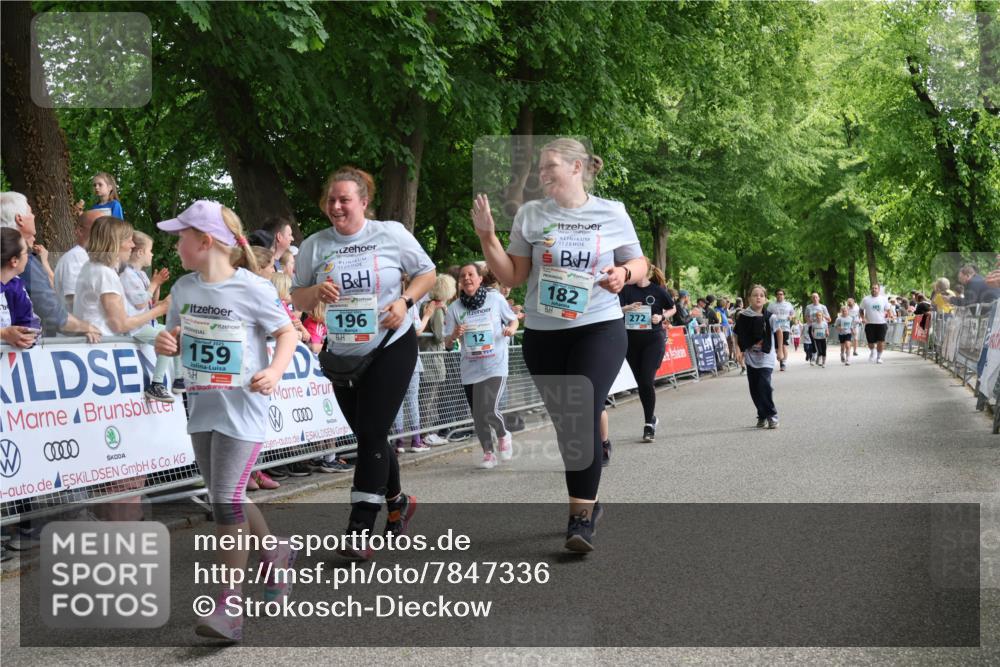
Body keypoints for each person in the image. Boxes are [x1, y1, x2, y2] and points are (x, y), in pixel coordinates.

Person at [472, 138, 647, 552]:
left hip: (599, 326)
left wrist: (623, 272)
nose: (542, 174)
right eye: (540, 167)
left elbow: (640, 265)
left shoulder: (611, 211)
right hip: (545, 335)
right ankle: (591, 497)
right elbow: (513, 277)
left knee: (581, 411)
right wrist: (486, 236)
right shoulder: (532, 215)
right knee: (569, 426)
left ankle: (579, 519)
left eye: (550, 166)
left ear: (577, 167)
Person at [154, 200, 298, 642]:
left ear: (205, 241)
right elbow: (178, 337)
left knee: (225, 499)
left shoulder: (253, 288)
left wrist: (274, 371)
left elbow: (288, 332)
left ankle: (229, 608)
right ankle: (274, 552)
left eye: (181, 236)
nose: (176, 244)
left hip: (243, 410)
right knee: (226, 494)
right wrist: (167, 343)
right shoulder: (183, 289)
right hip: (202, 409)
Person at [291, 166, 435, 558]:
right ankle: (398, 503)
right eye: (331, 200)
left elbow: (427, 274)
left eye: (345, 199)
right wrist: (315, 291)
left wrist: (404, 302)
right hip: (343, 356)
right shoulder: (315, 246)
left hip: (391, 343)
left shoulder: (390, 233)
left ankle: (358, 530)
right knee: (370, 435)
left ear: (363, 202)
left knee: (371, 432)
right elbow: (297, 298)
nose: (336, 207)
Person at [444, 262, 518, 469]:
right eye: (463, 276)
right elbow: (447, 344)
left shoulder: (495, 299)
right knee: (478, 414)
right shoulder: (454, 308)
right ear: (459, 282)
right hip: (470, 367)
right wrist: (453, 335)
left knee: (489, 408)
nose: (466, 278)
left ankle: (503, 434)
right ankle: (488, 454)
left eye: (470, 275)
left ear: (479, 279)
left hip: (495, 363)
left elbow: (513, 320)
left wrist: (511, 329)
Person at [0, 192, 101, 341]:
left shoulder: (17, 283)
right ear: (19, 219)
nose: (34, 216)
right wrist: (86, 327)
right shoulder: (25, 264)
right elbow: (53, 313)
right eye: (31, 211)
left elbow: (29, 320)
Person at [72, 217, 172, 339]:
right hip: (105, 345)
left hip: (98, 344)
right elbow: (120, 325)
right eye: (129, 240)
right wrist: (161, 309)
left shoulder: (90, 266)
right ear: (115, 243)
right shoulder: (104, 273)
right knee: (172, 340)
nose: (133, 245)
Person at [121, 231, 185, 399]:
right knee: (167, 337)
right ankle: (156, 384)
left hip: (148, 324)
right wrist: (154, 283)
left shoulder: (141, 274)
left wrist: (157, 286)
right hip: (136, 327)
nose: (152, 254)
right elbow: (141, 302)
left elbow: (151, 301)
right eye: (150, 250)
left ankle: (179, 379)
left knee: (178, 332)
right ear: (140, 252)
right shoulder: (126, 274)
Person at [618, 260, 675, 442]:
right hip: (631, 342)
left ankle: (648, 425)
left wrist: (662, 316)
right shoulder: (625, 290)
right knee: (641, 384)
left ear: (647, 271)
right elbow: (613, 310)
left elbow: (672, 307)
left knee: (646, 380)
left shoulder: (658, 291)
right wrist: (626, 308)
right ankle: (651, 418)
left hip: (653, 340)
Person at [733, 285, 779, 429]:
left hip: (766, 356)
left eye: (761, 295)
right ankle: (762, 414)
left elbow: (779, 332)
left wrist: (780, 350)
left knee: (764, 385)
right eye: (755, 295)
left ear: (765, 299)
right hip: (751, 358)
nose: (758, 297)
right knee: (754, 389)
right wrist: (738, 350)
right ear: (749, 299)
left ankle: (772, 415)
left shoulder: (770, 317)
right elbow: (736, 335)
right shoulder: (743, 317)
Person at [417, 275, 455, 446]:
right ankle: (426, 434)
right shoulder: (437, 309)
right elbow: (440, 335)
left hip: (425, 356)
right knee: (428, 400)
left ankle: (423, 434)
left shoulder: (426, 305)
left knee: (424, 399)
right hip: (433, 358)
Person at [53, 208, 104, 311]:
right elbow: (75, 302)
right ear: (80, 231)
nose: (104, 233)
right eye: (99, 228)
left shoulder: (89, 258)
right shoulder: (75, 257)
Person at [0, 227, 39, 348]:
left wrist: (27, 337)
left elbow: (28, 321)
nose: (28, 256)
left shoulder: (15, 285)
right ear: (14, 261)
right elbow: (6, 334)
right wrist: (3, 333)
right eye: (26, 252)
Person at [860, 282, 894, 364]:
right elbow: (861, 310)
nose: (874, 290)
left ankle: (879, 357)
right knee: (870, 342)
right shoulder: (865, 299)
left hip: (881, 323)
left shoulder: (883, 299)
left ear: (878, 290)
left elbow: (888, 309)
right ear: (870, 289)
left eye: (875, 288)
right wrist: (863, 318)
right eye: (872, 288)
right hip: (870, 323)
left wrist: (890, 315)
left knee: (881, 341)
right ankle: (872, 351)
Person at [767, 289, 795, 372]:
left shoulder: (788, 304)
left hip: (785, 327)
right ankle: (780, 357)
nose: (780, 295)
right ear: (776, 296)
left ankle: (783, 363)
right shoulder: (772, 305)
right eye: (778, 294)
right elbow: (767, 315)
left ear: (784, 295)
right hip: (775, 328)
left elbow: (793, 313)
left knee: (783, 345)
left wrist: (791, 316)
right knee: (777, 347)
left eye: (781, 294)